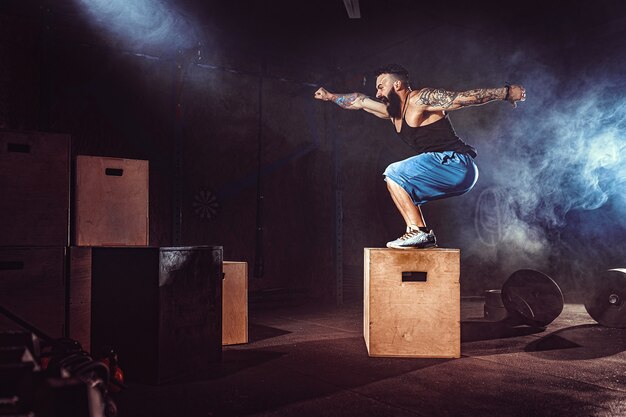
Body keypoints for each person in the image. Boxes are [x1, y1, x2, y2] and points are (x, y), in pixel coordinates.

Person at [314, 64, 525, 249]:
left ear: (397, 85)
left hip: (457, 163)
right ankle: (415, 231)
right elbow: (359, 101)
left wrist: (505, 93)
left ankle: (420, 232)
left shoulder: (419, 99)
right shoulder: (392, 112)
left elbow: (462, 99)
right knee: (399, 184)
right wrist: (331, 97)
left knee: (394, 172)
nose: (377, 94)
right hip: (448, 170)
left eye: (381, 87)